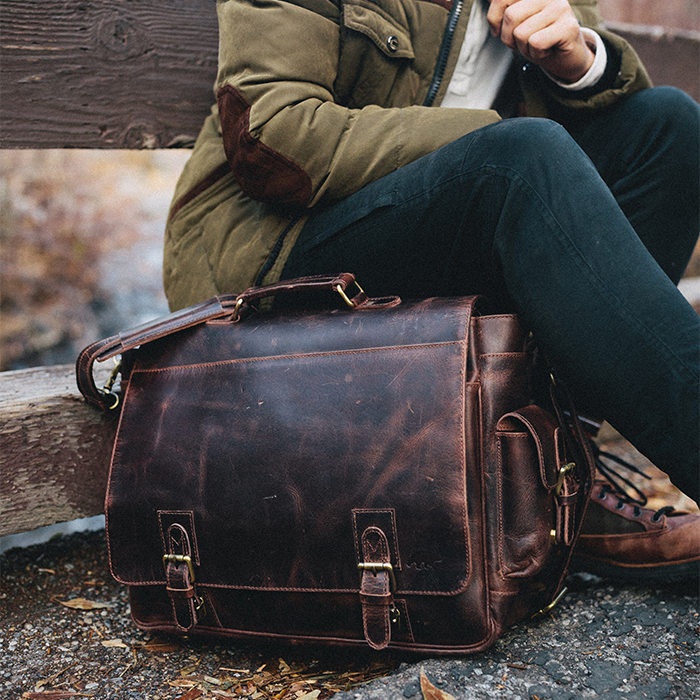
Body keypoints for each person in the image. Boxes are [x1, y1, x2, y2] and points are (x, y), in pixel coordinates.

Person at [163, 0, 700, 582]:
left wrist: (577, 63)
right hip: (278, 247)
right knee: (521, 159)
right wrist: (487, 139)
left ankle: (552, 474)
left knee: (670, 125)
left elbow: (611, 123)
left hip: (457, 227)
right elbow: (275, 136)